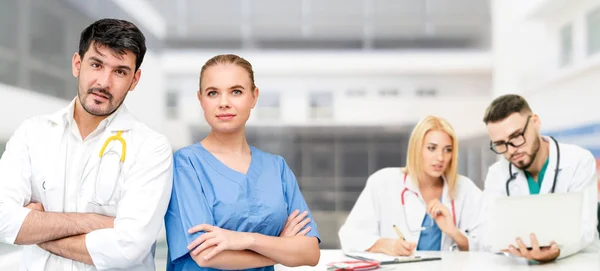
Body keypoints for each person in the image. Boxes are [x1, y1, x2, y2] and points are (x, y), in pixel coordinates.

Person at [0, 19, 173, 270]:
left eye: (120, 71)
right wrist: (90, 222)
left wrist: (36, 229)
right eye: (96, 64)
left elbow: (128, 249)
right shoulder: (32, 133)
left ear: (134, 80)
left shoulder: (151, 148)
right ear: (77, 64)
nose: (104, 82)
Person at [164, 54, 320, 271]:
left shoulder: (277, 168)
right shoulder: (186, 164)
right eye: (213, 93)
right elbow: (205, 255)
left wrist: (247, 240)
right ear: (200, 99)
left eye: (236, 91)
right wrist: (282, 249)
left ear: (254, 97)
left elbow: (310, 252)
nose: (224, 103)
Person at [338, 115, 483, 255]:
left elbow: (488, 245)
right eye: (432, 148)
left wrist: (454, 233)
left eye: (447, 150)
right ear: (416, 148)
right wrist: (384, 245)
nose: (440, 158)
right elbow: (349, 236)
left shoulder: (465, 189)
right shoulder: (383, 182)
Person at [480, 94, 598, 261]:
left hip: (576, 263)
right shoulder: (497, 174)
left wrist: (556, 250)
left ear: (535, 122)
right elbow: (487, 233)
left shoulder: (578, 161)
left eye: (516, 137)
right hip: (521, 264)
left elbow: (586, 228)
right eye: (500, 144)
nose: (511, 150)